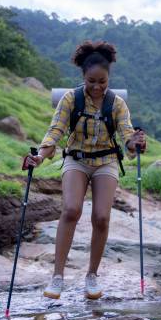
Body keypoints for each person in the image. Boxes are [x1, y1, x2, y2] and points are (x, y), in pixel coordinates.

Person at [25, 40, 147, 300]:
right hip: (77, 159)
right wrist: (40, 157)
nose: (97, 87)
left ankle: (91, 275)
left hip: (106, 161)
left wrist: (135, 143)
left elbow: (127, 136)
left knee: (101, 217)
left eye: (102, 81)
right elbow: (55, 133)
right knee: (71, 210)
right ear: (83, 76)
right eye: (92, 81)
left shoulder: (117, 104)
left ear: (108, 77)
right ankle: (57, 277)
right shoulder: (71, 99)